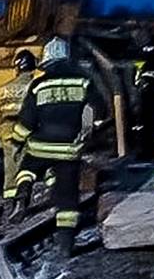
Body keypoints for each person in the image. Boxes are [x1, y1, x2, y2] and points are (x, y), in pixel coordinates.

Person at [5, 36, 100, 255]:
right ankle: (66, 244)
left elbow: (27, 120)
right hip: (69, 149)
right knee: (67, 197)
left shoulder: (39, 85)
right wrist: (87, 134)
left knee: (26, 169)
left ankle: (22, 195)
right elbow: (98, 111)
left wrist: (17, 142)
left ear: (46, 61)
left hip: (41, 145)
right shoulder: (83, 81)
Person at [0, 49, 40, 236]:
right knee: (27, 164)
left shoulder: (4, 88)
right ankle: (23, 200)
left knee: (10, 164)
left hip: (7, 130)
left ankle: (10, 199)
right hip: (26, 128)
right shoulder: (35, 85)